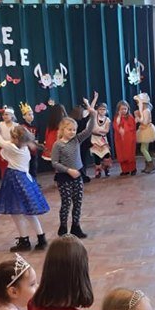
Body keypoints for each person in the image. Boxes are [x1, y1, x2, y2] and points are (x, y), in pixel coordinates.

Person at [0, 116, 50, 252]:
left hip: (14, 179)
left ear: (16, 139)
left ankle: (24, 240)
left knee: (16, 212)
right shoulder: (24, 148)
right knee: (29, 212)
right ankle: (41, 238)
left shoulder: (12, 147)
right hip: (26, 180)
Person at [51, 93, 99, 239]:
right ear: (62, 130)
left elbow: (89, 130)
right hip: (64, 177)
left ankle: (76, 227)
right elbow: (54, 163)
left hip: (77, 176)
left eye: (74, 129)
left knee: (77, 202)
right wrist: (68, 170)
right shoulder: (58, 144)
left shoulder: (77, 140)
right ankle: (63, 228)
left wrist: (93, 116)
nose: (72, 132)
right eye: (69, 129)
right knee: (66, 203)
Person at [134, 93, 155, 174]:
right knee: (145, 149)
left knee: (143, 149)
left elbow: (144, 122)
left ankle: (151, 164)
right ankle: (147, 165)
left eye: (138, 102)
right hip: (143, 129)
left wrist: (138, 118)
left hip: (147, 130)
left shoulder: (146, 111)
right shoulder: (143, 111)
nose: (137, 104)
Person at [113, 100, 138, 176]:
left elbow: (132, 127)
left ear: (128, 109)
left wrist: (125, 130)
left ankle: (133, 169)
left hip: (128, 139)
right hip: (120, 139)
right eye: (122, 109)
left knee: (130, 154)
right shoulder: (117, 117)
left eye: (125, 109)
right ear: (118, 109)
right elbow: (115, 125)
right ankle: (125, 170)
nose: (123, 110)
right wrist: (119, 118)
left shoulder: (130, 117)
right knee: (121, 154)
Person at [90, 102, 114, 178]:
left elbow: (106, 130)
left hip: (103, 139)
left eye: (104, 109)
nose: (102, 111)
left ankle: (106, 168)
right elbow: (91, 109)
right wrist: (95, 98)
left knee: (106, 154)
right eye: (100, 109)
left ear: (106, 110)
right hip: (95, 139)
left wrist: (99, 130)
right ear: (97, 110)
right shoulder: (95, 117)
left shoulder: (107, 120)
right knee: (96, 155)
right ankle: (98, 171)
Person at [0, 107, 17, 179]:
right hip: (2, 147)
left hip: (12, 148)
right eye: (3, 115)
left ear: (12, 115)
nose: (4, 116)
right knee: (3, 167)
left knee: (13, 166)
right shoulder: (1, 124)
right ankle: (5, 180)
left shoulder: (16, 125)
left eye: (6, 114)